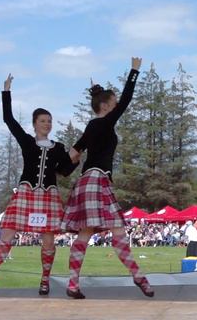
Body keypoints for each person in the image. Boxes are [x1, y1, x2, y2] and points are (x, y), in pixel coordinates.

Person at [0, 74, 78, 297]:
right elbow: (8, 119)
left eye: (49, 120)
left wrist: (75, 160)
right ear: (34, 123)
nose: (47, 124)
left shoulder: (58, 147)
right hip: (26, 195)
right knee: (7, 235)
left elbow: (64, 171)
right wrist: (6, 92)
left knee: (48, 242)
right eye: (42, 120)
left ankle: (45, 280)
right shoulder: (27, 141)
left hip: (48, 196)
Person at [61, 57, 153, 299]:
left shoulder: (91, 128)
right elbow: (127, 100)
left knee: (87, 234)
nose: (116, 106)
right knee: (117, 233)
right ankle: (138, 277)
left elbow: (70, 157)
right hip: (97, 181)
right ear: (106, 105)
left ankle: (74, 284)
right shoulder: (105, 121)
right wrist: (134, 71)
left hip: (87, 182)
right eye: (113, 103)